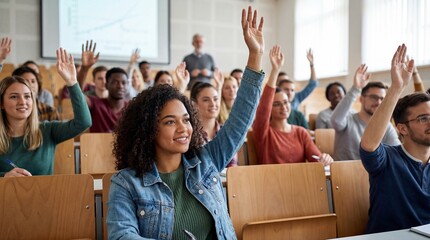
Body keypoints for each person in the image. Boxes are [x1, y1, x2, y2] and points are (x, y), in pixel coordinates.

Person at [106, 6, 265, 239]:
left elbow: (240, 121)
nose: (183, 129)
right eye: (170, 122)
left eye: (186, 120)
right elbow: (122, 235)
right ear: (148, 130)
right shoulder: (126, 183)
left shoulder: (206, 161)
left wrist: (255, 55)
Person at [360, 44, 430, 233]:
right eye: (423, 119)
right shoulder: (386, 159)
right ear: (402, 128)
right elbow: (369, 145)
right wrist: (396, 88)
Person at [0, 48, 91, 177]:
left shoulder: (48, 130)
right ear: (1, 103)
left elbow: (83, 122)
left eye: (27, 96)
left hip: (45, 196)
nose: (22, 102)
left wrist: (72, 82)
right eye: (14, 97)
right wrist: (4, 177)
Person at [253, 45, 332, 165]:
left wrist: (325, 159)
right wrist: (275, 70)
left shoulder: (301, 132)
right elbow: (263, 108)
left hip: (298, 182)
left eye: (286, 102)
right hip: (270, 182)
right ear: (270, 108)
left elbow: (317, 160)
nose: (284, 107)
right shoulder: (263, 132)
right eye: (277, 104)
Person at [331, 64, 400, 161]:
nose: (379, 102)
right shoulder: (348, 120)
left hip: (374, 175)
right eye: (374, 97)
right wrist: (356, 88)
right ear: (361, 99)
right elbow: (335, 120)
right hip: (344, 174)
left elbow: (397, 152)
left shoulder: (386, 126)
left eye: (382, 99)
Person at [191, 82, 238, 167]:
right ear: (194, 105)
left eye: (215, 99)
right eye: (206, 100)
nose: (213, 104)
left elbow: (233, 167)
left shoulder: (226, 133)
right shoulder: (190, 135)